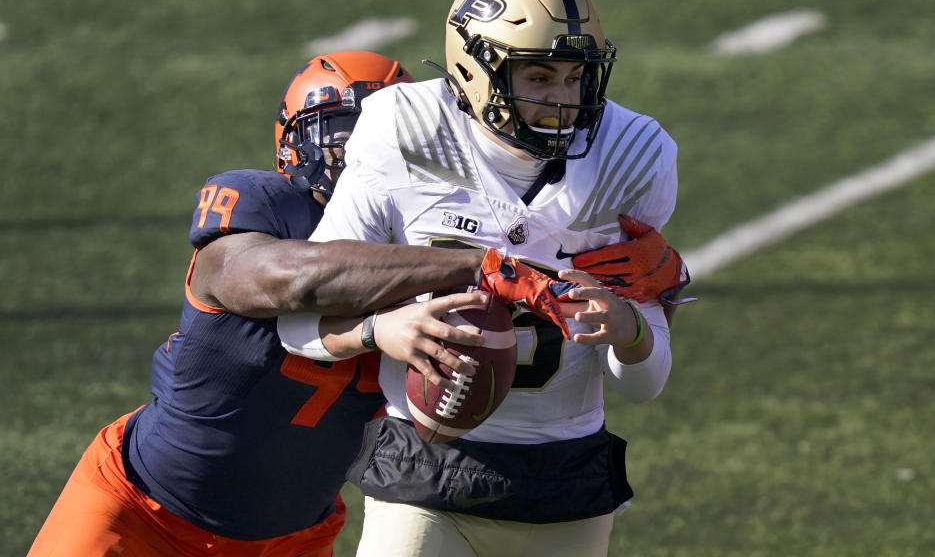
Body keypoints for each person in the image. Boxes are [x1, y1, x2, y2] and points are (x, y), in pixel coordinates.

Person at [27, 50, 576, 557]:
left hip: (294, 539)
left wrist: (635, 271)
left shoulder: (428, 233)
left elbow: (546, 267)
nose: (364, 150)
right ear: (297, 143)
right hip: (140, 511)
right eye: (345, 133)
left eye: (382, 134)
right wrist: (475, 265)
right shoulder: (264, 206)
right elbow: (284, 280)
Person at [279, 0, 684, 557]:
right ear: (473, 69)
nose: (563, 101)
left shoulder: (633, 155)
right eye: (540, 77)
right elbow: (299, 318)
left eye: (576, 77)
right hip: (426, 472)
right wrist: (379, 328)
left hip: (564, 481)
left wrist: (629, 329)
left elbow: (647, 384)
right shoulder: (405, 132)